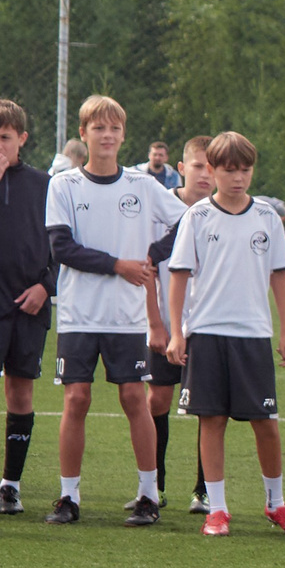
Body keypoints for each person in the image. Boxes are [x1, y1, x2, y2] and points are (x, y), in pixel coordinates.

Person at [40, 94, 182, 525]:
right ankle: (68, 497)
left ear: (123, 135)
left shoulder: (143, 185)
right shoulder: (64, 185)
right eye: (98, 128)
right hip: (78, 314)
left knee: (134, 397)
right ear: (83, 134)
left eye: (114, 128)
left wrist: (151, 257)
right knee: (76, 399)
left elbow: (187, 223)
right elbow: (62, 248)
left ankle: (148, 496)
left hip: (127, 315)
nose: (107, 135)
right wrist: (119, 265)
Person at [161, 132, 285, 537]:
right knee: (212, 421)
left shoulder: (266, 216)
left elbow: (280, 276)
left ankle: (276, 504)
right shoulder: (197, 217)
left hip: (253, 335)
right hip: (207, 333)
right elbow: (178, 277)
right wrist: (177, 333)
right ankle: (217, 509)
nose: (238, 178)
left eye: (245, 170)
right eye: (229, 170)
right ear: (212, 171)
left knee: (266, 422)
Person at [145, 137, 213, 515]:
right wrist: (156, 324)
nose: (205, 174)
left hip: (205, 327)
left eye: (211, 167)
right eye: (198, 166)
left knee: (207, 407)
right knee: (157, 399)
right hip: (165, 326)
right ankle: (154, 484)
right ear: (182, 168)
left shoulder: (223, 211)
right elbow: (147, 268)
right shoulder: (159, 210)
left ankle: (203, 490)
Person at [0, 98, 51, 517]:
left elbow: (62, 243)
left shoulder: (45, 185)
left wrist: (46, 287)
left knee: (20, 390)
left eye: (5, 137)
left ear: (22, 139)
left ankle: (10, 485)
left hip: (29, 305)